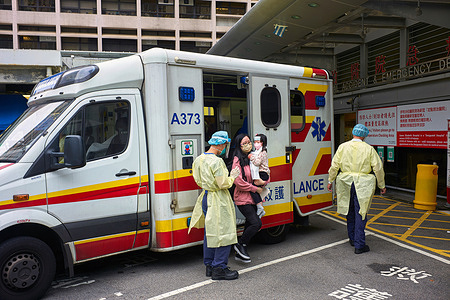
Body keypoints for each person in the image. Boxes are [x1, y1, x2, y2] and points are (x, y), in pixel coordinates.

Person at [188, 131, 241, 280]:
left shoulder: (199, 159)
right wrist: (233, 176)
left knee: (210, 232)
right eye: (224, 144)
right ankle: (220, 268)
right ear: (219, 144)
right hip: (218, 198)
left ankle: (209, 265)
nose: (225, 147)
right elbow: (223, 184)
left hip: (206, 196)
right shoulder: (217, 161)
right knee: (224, 232)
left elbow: (197, 179)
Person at [327, 124, 386, 254]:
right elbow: (378, 167)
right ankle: (359, 245)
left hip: (345, 182)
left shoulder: (343, 147)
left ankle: (353, 238)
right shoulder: (369, 149)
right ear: (364, 135)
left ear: (353, 133)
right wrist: (382, 185)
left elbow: (334, 165)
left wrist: (330, 180)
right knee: (361, 212)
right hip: (363, 184)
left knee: (350, 212)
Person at [232, 133, 264, 263]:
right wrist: (254, 188)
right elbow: (238, 181)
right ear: (239, 146)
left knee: (250, 223)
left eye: (249, 142)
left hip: (253, 198)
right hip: (242, 198)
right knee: (256, 223)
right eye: (244, 143)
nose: (248, 145)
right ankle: (240, 244)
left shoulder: (252, 158)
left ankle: (241, 250)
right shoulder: (237, 160)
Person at [248, 134, 270, 218]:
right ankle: (260, 207)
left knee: (253, 189)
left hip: (262, 174)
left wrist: (251, 157)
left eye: (258, 142)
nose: (256, 144)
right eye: (255, 142)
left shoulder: (263, 152)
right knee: (254, 189)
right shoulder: (257, 152)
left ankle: (260, 207)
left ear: (263, 143)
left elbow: (257, 162)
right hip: (261, 174)